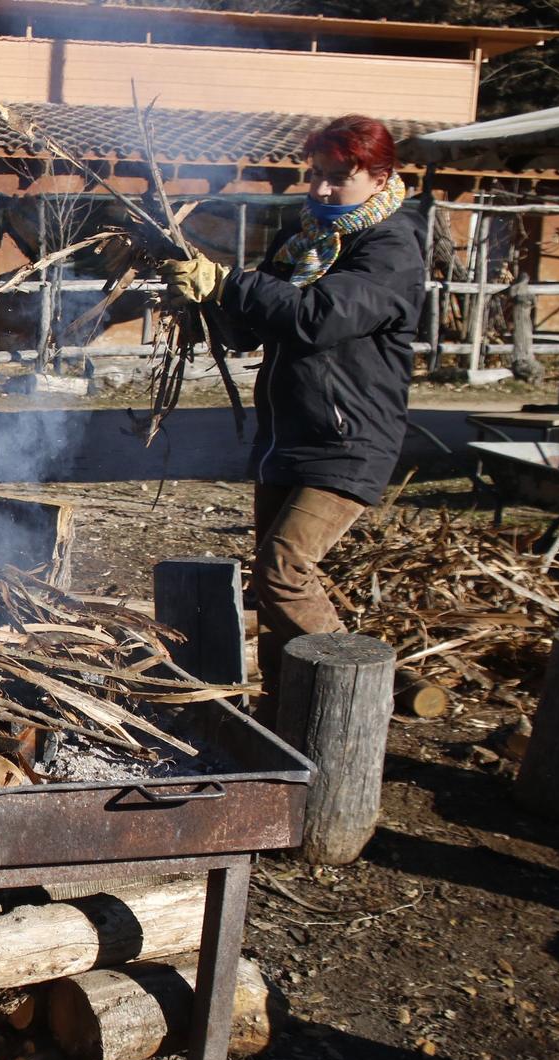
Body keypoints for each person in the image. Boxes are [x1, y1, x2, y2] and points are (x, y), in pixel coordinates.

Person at [163, 114, 424, 720]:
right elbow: (253, 328)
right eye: (316, 176)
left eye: (339, 179)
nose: (322, 191)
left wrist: (230, 283)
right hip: (284, 439)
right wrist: (205, 299)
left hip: (348, 440)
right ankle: (288, 716)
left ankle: (354, 704)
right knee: (274, 590)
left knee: (284, 571)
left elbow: (316, 319)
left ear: (381, 175)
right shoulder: (305, 240)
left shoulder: (390, 248)